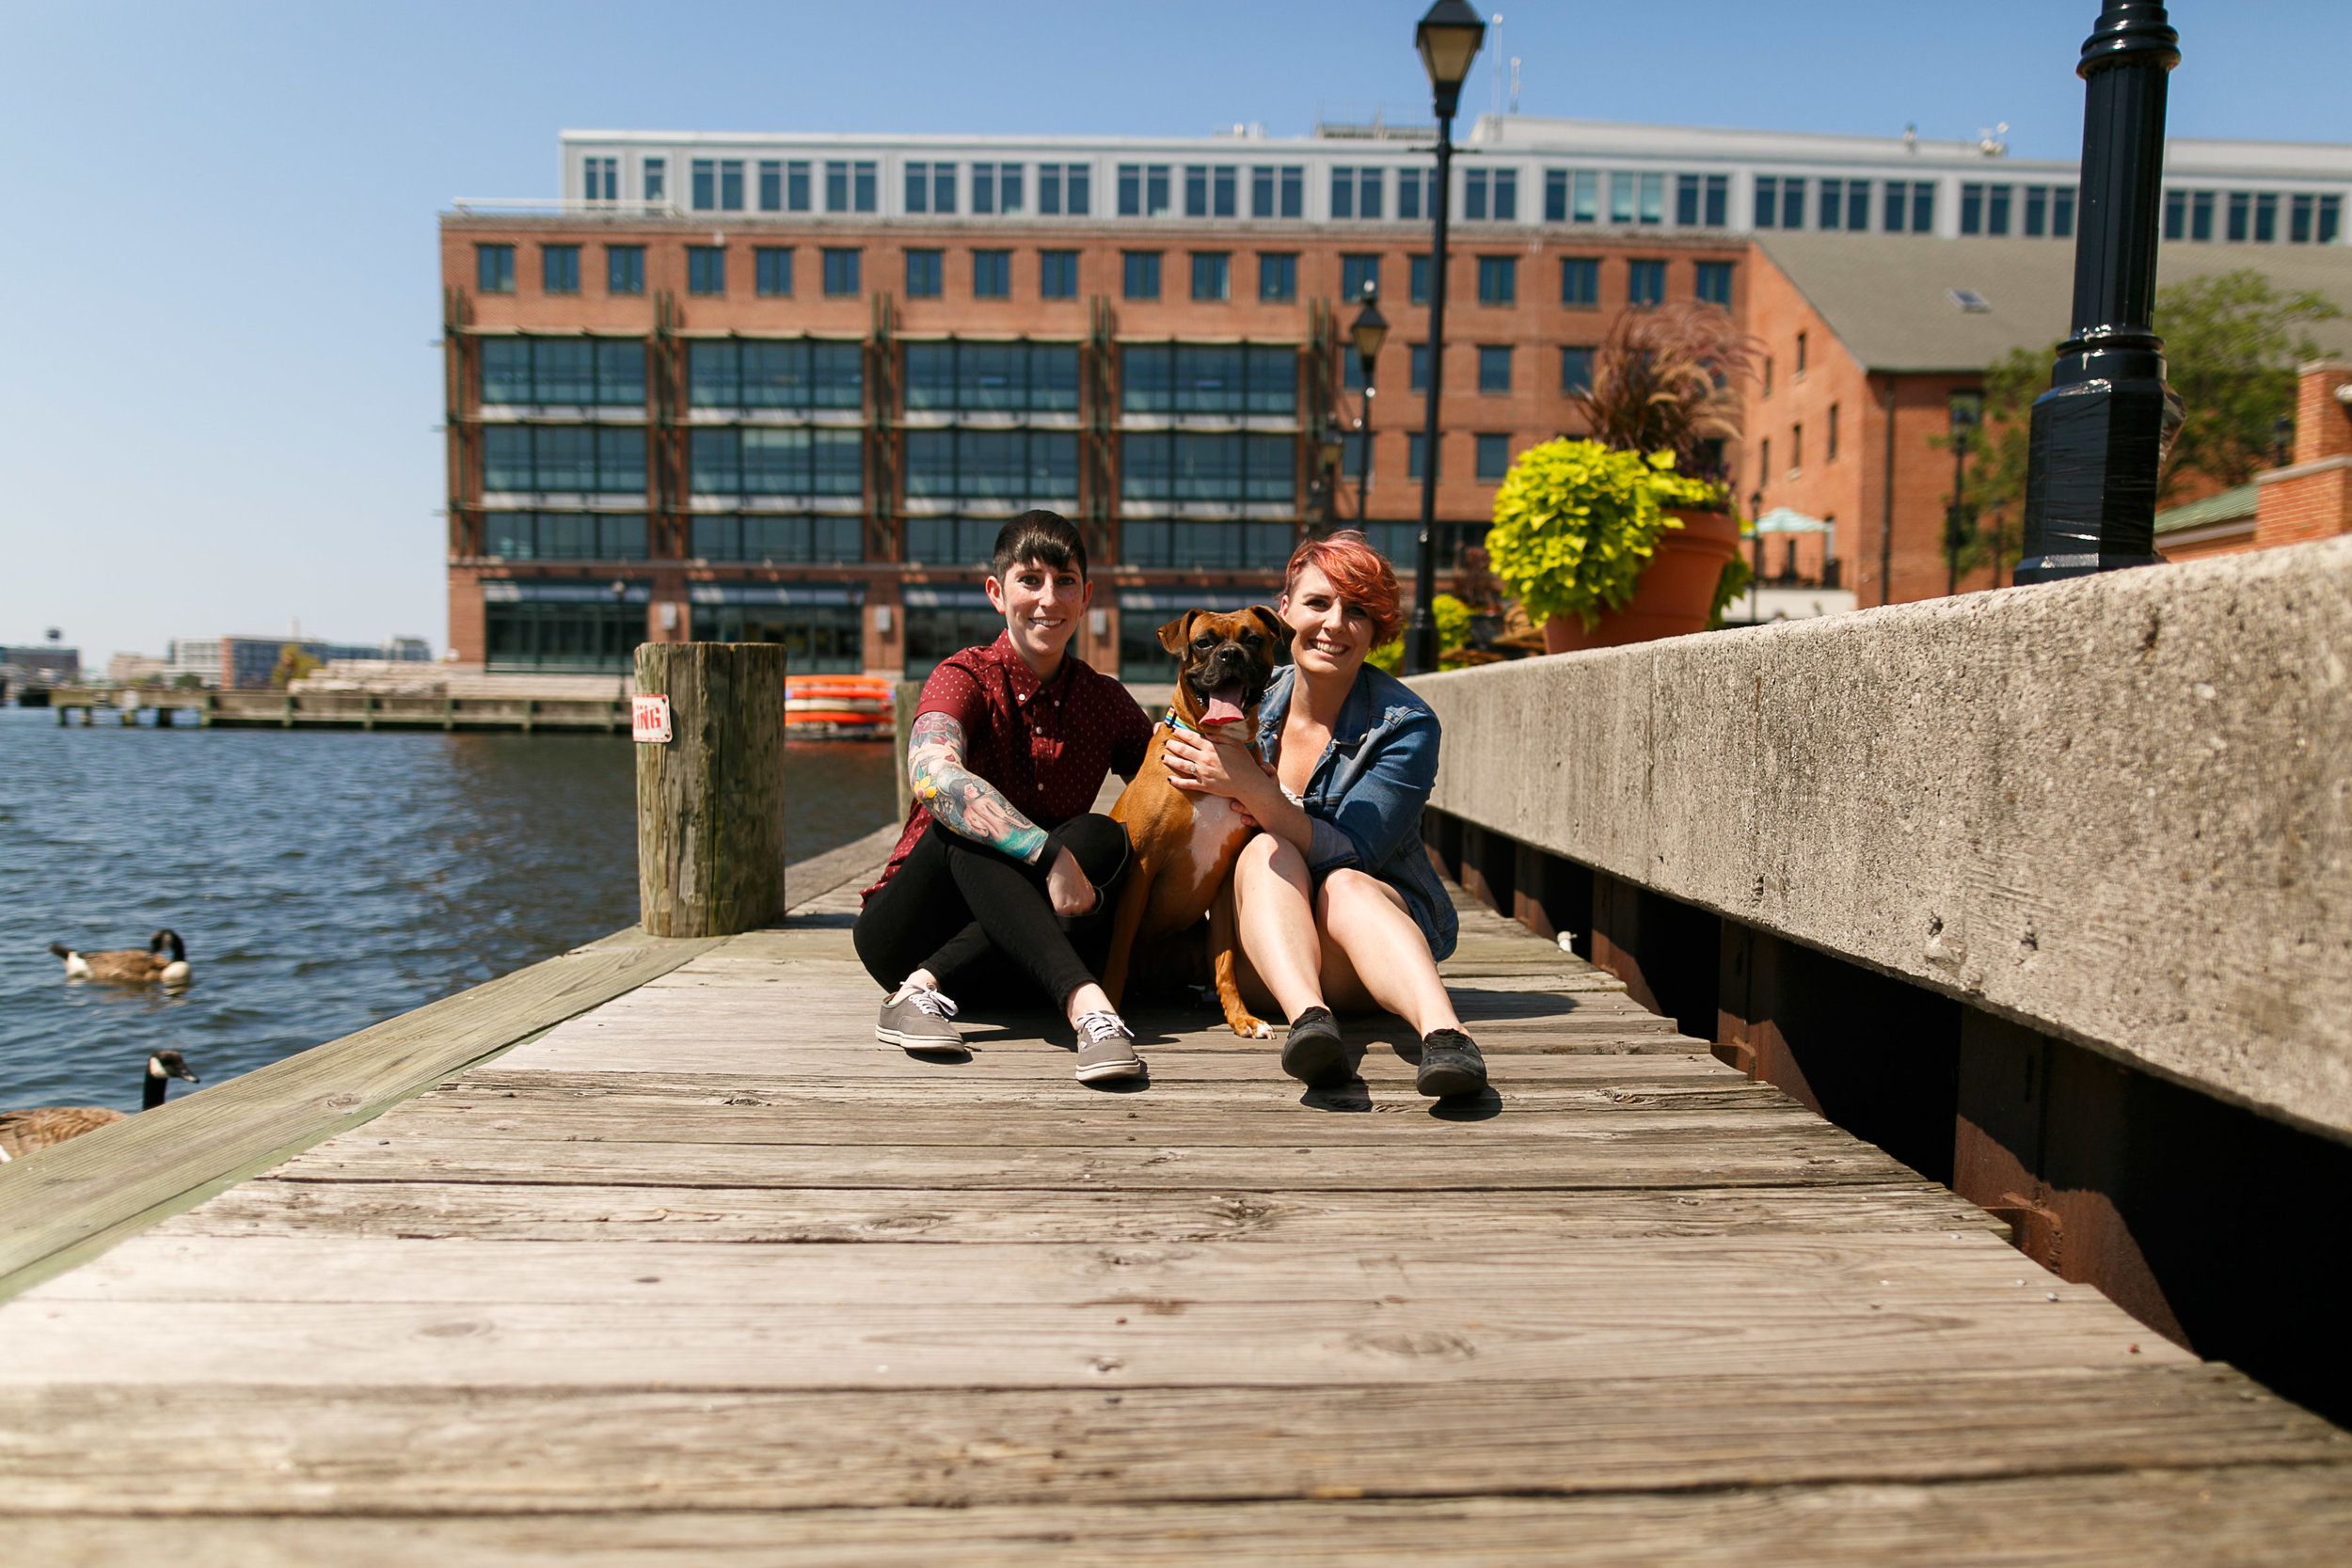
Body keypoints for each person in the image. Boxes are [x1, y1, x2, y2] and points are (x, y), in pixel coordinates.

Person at [1162, 531, 1487, 1099]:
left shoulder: (1407, 726)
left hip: (1360, 953)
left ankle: (1447, 1037)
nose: (1335, 623)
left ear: (1376, 630)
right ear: (1285, 613)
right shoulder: (1243, 690)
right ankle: (1311, 1027)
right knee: (1266, 849)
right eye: (1319, 603)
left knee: (1345, 882)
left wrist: (1246, 786)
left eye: (1357, 611)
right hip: (1266, 956)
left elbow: (1356, 852)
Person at [854, 511, 1156, 1084]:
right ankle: (1090, 1010)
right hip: (911, 933)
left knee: (1103, 836)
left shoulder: (1105, 700)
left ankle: (921, 992)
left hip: (1021, 954)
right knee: (963, 821)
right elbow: (932, 774)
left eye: (1065, 581)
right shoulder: (963, 675)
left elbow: (1169, 791)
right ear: (997, 592)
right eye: (1030, 580)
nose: (1049, 598)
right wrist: (1047, 854)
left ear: (1086, 595)